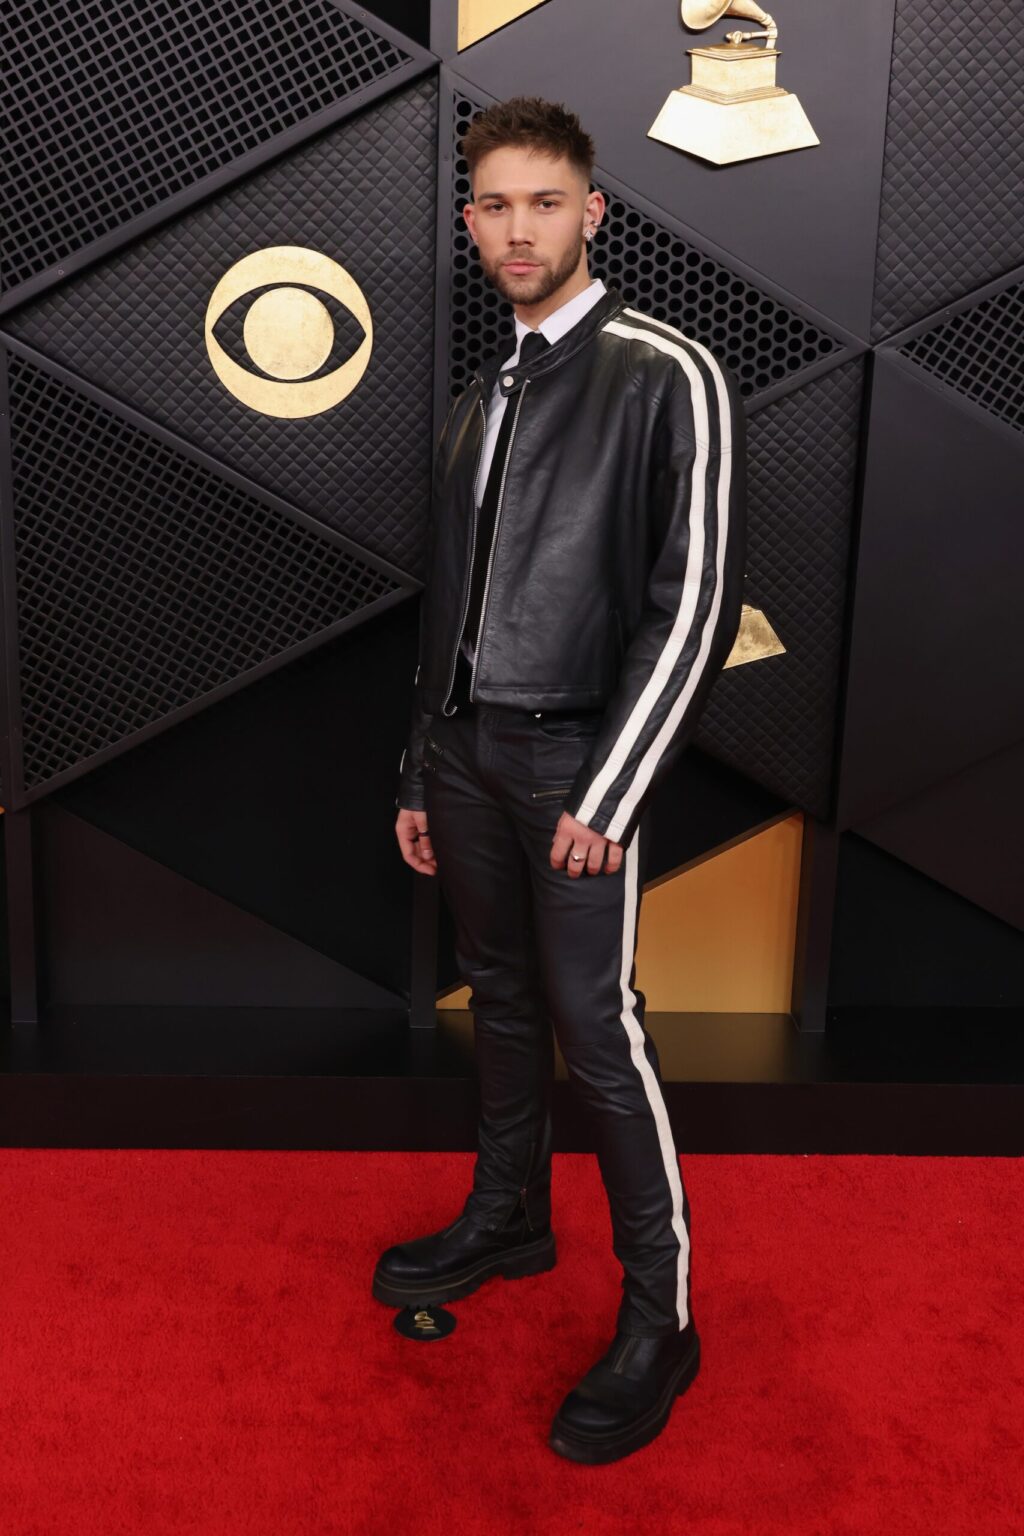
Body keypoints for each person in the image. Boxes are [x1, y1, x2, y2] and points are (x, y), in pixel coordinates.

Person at [375, 95, 747, 1464]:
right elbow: (451, 604)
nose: (518, 227)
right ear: (472, 223)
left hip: (580, 759)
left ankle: (664, 1317)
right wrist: (423, 764)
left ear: (594, 213)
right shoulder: (484, 399)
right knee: (508, 996)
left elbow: (695, 600)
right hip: (468, 757)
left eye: (545, 202)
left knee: (605, 1030)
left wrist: (618, 786)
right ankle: (511, 1217)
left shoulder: (669, 371)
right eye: (495, 205)